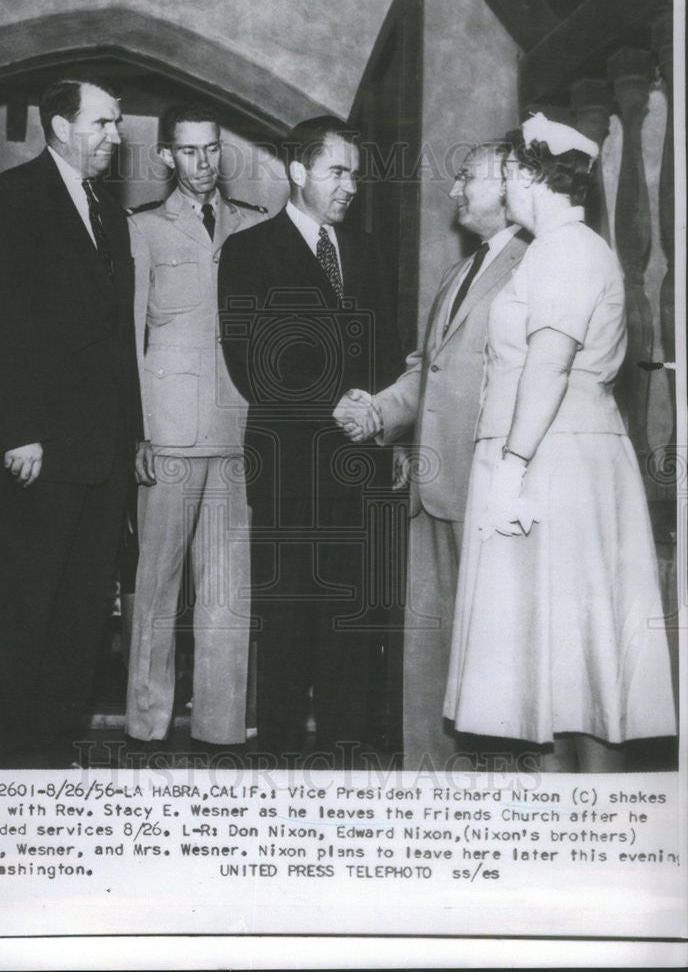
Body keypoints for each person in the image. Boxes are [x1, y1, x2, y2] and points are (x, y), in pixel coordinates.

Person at [443, 113, 677, 772]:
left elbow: (548, 364)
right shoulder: (551, 251)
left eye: (509, 169)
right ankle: (562, 821)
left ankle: (592, 824)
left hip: (556, 462)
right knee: (546, 666)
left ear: (528, 174)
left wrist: (511, 469)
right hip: (548, 456)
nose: (503, 182)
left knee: (580, 664)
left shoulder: (570, 250)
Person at [0, 78, 142, 768]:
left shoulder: (105, 211)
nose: (115, 136)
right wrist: (18, 433)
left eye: (117, 123)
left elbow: (113, 336)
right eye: (103, 122)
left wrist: (132, 437)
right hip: (32, 453)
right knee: (20, 610)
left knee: (80, 613)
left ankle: (52, 746)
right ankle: (8, 759)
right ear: (61, 127)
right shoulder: (12, 198)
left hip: (98, 456)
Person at [333, 143, 530, 769]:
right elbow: (428, 370)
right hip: (437, 487)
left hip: (491, 491)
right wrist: (378, 410)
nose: (454, 193)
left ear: (507, 183)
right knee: (437, 653)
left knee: (496, 660)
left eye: (466, 178)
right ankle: (434, 786)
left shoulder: (536, 264)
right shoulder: (459, 273)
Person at [218, 116, 401, 765]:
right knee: (289, 629)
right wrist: (336, 405)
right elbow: (253, 361)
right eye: (337, 171)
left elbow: (387, 352)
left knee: (351, 629)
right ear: (298, 171)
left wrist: (380, 416)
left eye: (355, 172)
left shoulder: (369, 251)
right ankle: (281, 769)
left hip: (360, 470)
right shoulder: (248, 251)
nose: (351, 185)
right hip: (290, 471)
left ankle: (346, 769)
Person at [125, 102, 267, 753]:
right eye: (188, 151)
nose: (203, 163)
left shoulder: (253, 227)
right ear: (166, 156)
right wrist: (138, 430)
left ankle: (220, 725)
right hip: (170, 434)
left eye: (211, 149)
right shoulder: (144, 231)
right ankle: (147, 722)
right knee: (155, 588)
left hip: (236, 431)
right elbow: (130, 336)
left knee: (227, 592)